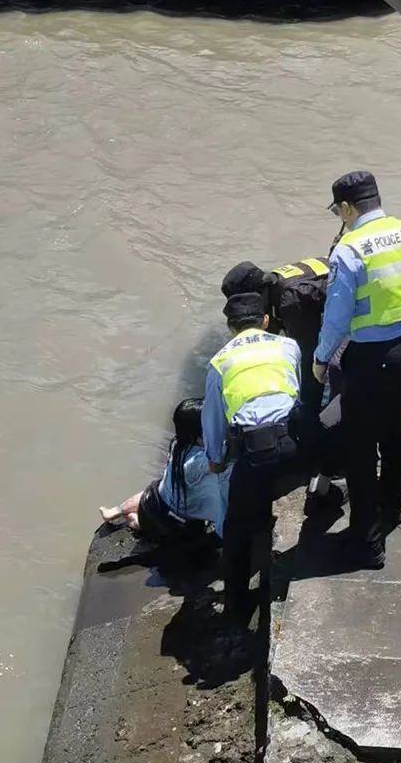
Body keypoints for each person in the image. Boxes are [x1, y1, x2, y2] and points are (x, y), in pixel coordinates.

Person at [314, 170, 401, 568]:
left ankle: (366, 544)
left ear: (348, 207)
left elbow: (336, 316)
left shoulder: (348, 250)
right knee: (395, 431)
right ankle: (392, 511)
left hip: (369, 356)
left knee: (361, 447)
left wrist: (320, 358)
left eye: (338, 210)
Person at [204, 291, 302, 619]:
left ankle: (236, 608)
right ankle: (326, 491)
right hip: (299, 443)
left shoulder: (220, 362)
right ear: (265, 320)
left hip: (258, 449)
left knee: (236, 529)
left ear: (230, 327)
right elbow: (296, 393)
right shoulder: (289, 346)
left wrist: (215, 459)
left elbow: (213, 419)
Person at [101, 398, 229, 546]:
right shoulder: (198, 462)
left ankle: (115, 511)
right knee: (142, 526)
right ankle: (134, 520)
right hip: (166, 519)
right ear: (200, 432)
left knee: (158, 487)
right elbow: (221, 459)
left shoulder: (177, 443)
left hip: (155, 497)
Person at [221, 256, 329, 413]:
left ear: (257, 294)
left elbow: (308, 356)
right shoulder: (271, 283)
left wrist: (307, 409)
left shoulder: (291, 300)